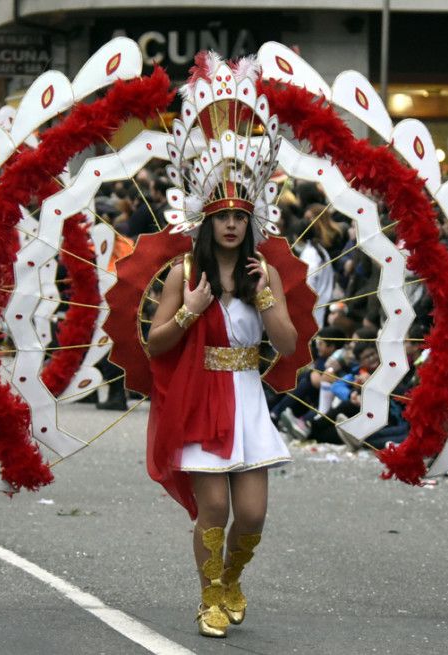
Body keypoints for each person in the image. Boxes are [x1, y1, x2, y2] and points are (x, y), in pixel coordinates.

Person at [142, 54, 299, 639]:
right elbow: (156, 341)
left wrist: (262, 300)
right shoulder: (185, 272)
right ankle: (209, 597)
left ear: (252, 219)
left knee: (252, 515)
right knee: (214, 511)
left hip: (247, 396)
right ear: (207, 222)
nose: (232, 224)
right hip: (200, 396)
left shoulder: (265, 273)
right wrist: (192, 309)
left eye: (240, 215)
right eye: (222, 216)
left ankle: (231, 577)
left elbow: (284, 343)